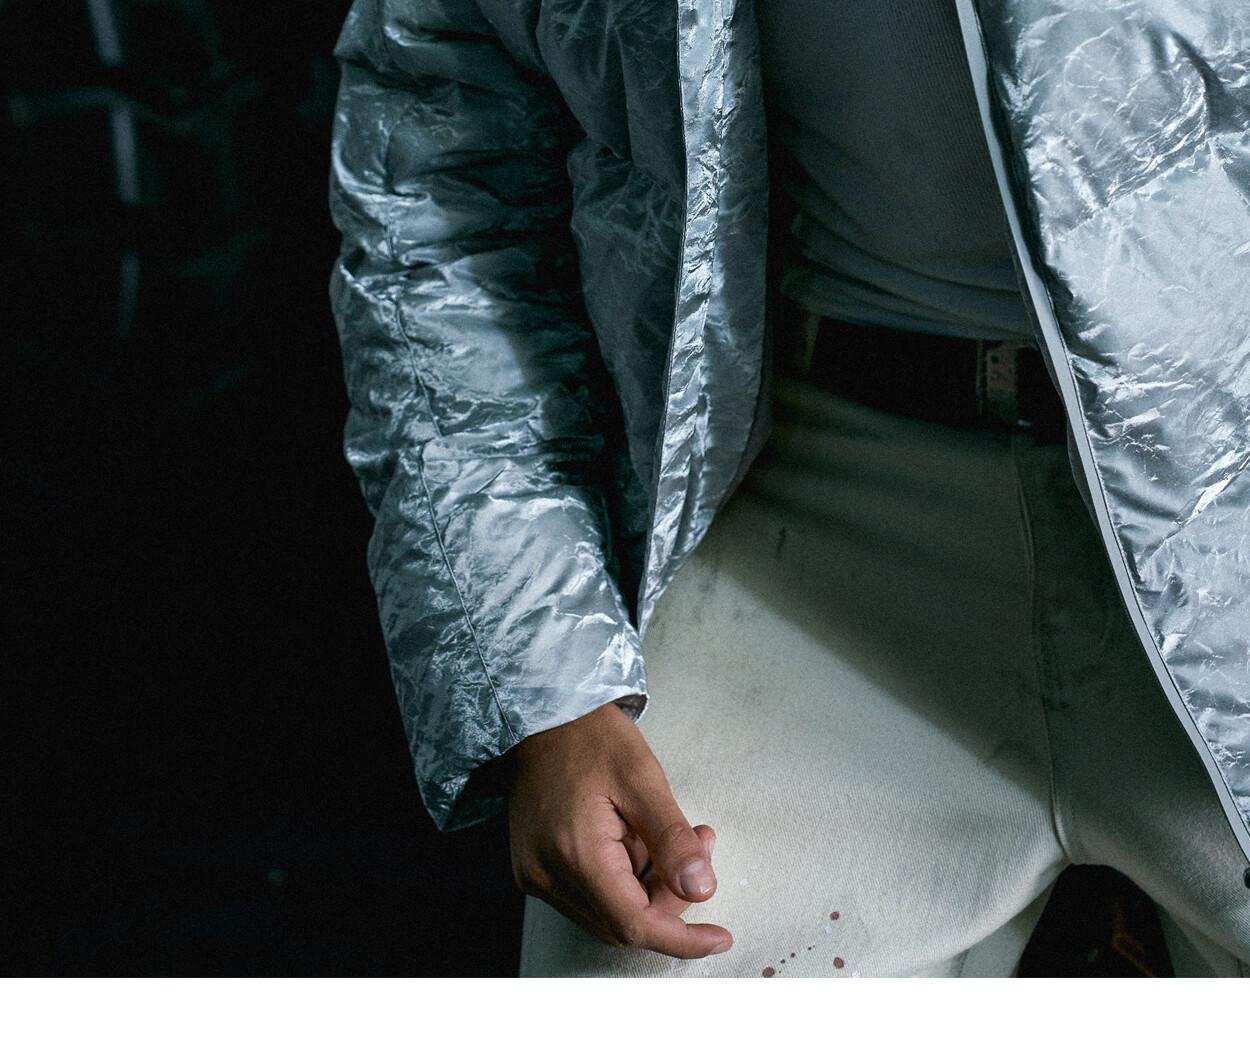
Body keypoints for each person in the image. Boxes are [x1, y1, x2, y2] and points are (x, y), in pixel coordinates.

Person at [329, 0, 1250, 976]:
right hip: (809, 492)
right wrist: (542, 691)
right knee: (640, 964)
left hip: (1223, 507)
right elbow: (437, 201)